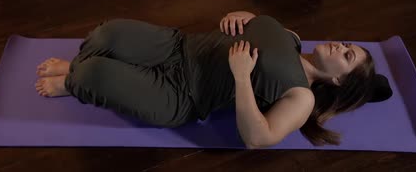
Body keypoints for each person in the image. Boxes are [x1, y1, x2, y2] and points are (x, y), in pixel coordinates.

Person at [34, 11, 376, 149]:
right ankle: (80, 68)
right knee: (105, 34)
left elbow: (259, 138)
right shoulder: (294, 38)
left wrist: (242, 78)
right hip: (177, 46)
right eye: (348, 44)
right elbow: (252, 25)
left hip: (180, 94)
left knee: (94, 73)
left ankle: (75, 81)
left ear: (338, 82)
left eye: (347, 56)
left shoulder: (303, 98)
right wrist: (240, 15)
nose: (341, 45)